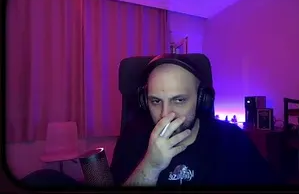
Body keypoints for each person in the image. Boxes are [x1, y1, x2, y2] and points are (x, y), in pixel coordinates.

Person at [111, 55, 279, 187]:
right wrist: (151, 166)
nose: (165, 114)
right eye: (156, 101)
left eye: (179, 100)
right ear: (144, 102)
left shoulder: (233, 140)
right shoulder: (132, 138)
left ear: (202, 100)